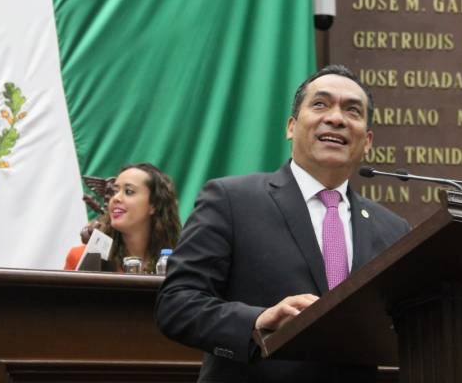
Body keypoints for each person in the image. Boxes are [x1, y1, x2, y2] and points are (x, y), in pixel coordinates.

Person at [155, 65, 410, 382]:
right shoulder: (231, 200)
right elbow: (177, 303)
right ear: (291, 126)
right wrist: (257, 321)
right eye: (321, 104)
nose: (336, 118)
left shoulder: (393, 230)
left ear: (367, 140)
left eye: (352, 110)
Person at [64, 163, 181, 273]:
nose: (115, 198)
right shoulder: (80, 257)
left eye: (129, 191)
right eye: (115, 191)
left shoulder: (178, 262)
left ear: (154, 205)